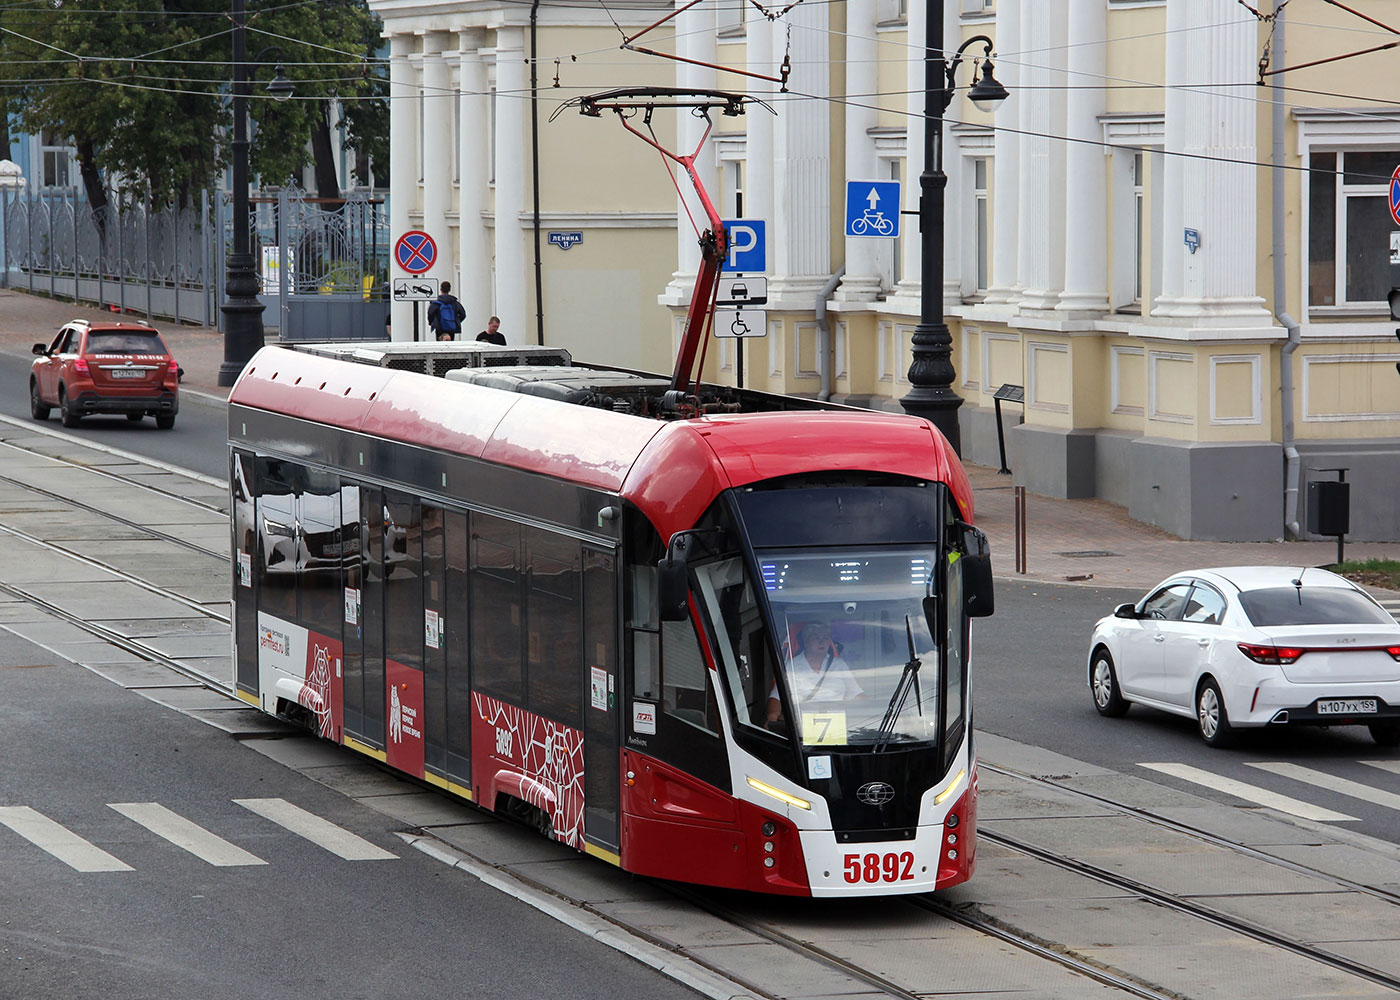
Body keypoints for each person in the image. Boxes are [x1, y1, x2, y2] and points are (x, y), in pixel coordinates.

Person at [766, 620, 863, 724]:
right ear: (806, 641)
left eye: (825, 638)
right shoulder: (791, 666)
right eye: (816, 638)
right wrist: (772, 718)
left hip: (837, 724)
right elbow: (776, 698)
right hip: (800, 725)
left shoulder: (839, 665)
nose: (821, 642)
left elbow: (856, 694)